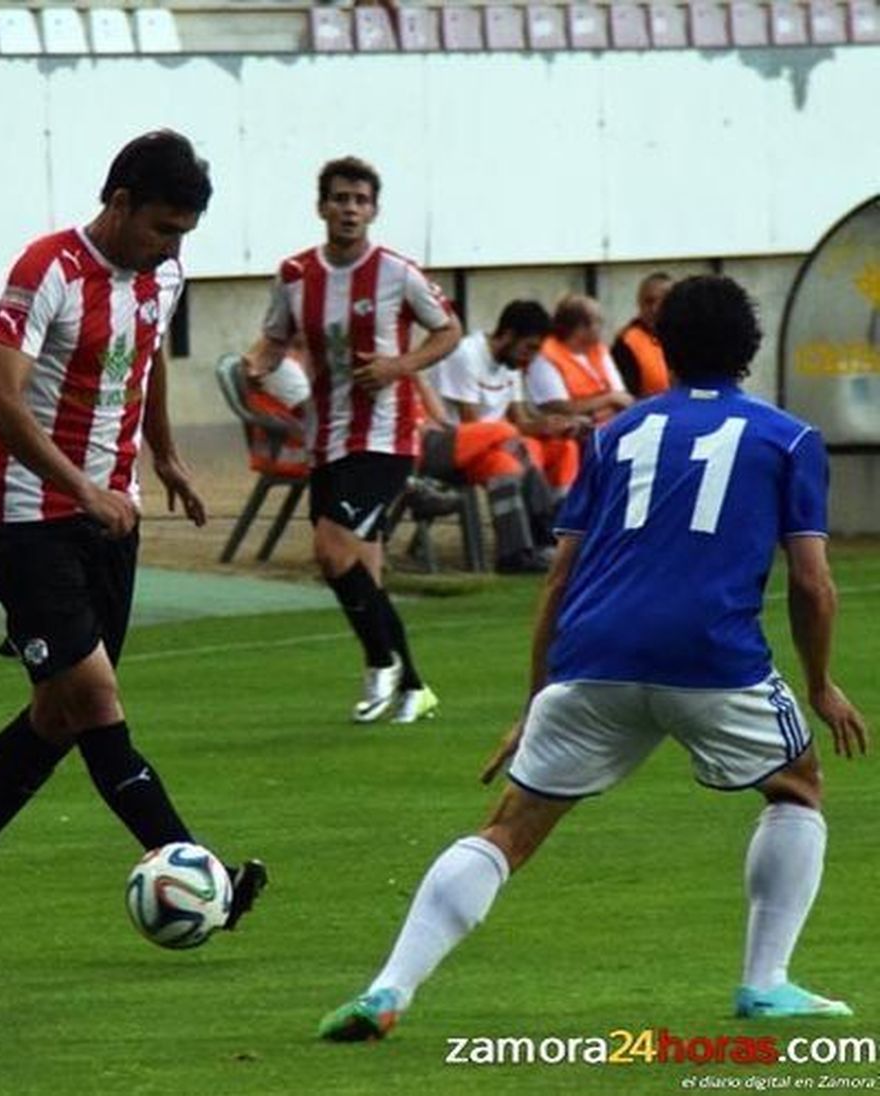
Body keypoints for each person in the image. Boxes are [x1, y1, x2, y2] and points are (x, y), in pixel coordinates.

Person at [318, 275, 869, 1042]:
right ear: (751, 349)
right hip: (714, 660)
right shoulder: (789, 439)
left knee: (507, 831)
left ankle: (387, 989)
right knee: (798, 785)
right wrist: (820, 685)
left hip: (593, 658)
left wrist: (534, 702)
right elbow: (812, 582)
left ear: (663, 348)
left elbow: (560, 576)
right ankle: (765, 983)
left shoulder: (614, 435)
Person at [0, 131, 266, 960]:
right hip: (33, 520)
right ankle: (196, 867)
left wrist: (163, 453)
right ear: (120, 203)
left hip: (113, 516)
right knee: (97, 702)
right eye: (161, 229)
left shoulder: (163, 273)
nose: (170, 249)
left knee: (58, 715)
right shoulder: (45, 272)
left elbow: (147, 356)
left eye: (183, 235)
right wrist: (83, 488)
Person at [240, 155, 461, 724]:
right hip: (325, 436)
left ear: (374, 210)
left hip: (385, 438)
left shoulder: (397, 272)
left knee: (330, 549)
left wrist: (399, 366)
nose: (349, 209)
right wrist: (256, 363)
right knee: (360, 565)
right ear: (322, 207)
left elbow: (449, 330)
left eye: (360, 200)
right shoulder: (294, 275)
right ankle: (413, 685)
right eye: (340, 198)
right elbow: (273, 340)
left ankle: (378, 660)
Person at [424, 299, 590, 571]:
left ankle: (545, 541)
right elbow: (473, 424)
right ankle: (534, 536)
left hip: (501, 447)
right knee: (503, 441)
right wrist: (528, 429)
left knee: (562, 448)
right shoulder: (466, 354)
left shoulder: (511, 365)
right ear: (508, 335)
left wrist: (549, 425)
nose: (531, 358)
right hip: (452, 445)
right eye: (529, 348)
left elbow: (522, 420)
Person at [525, 293, 633, 426]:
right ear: (580, 328)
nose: (602, 327)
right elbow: (559, 407)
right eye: (598, 321)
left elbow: (622, 396)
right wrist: (608, 399)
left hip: (606, 423)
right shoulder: (545, 356)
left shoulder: (598, 350)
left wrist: (606, 405)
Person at [611, 271, 673, 398]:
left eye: (663, 301)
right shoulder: (627, 342)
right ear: (639, 303)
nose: (655, 309)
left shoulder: (688, 336)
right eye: (649, 301)